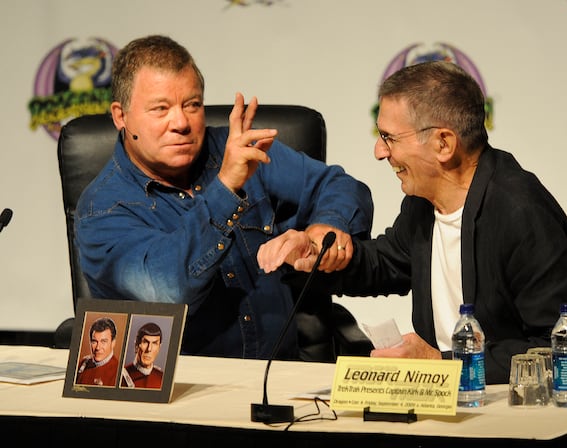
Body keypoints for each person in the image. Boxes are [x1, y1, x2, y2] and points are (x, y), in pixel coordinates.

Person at [258, 60, 567, 384]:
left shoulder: (520, 213)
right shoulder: (423, 204)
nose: (379, 151)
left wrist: (443, 365)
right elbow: (386, 263)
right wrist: (316, 257)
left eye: (389, 137)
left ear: (443, 143)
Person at [74, 35, 373, 361]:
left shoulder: (236, 149)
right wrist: (226, 187)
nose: (181, 123)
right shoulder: (101, 209)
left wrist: (325, 228)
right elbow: (166, 294)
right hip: (184, 392)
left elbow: (342, 186)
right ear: (121, 116)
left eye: (192, 105)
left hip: (279, 377)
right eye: (161, 109)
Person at [76, 316, 119, 386]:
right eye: (94, 342)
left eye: (103, 341)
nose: (98, 347)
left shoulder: (118, 373)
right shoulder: (83, 365)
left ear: (113, 343)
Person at [121, 322, 164, 389]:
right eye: (145, 342)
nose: (149, 349)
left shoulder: (162, 377)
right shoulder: (122, 376)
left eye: (155, 343)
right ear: (136, 345)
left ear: (159, 348)